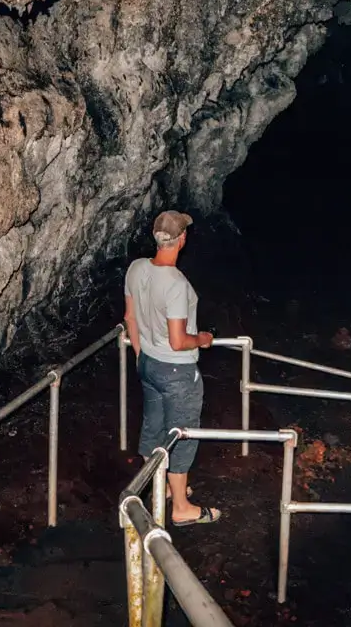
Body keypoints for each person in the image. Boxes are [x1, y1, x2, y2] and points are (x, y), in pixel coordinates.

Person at [123, 210, 220, 527]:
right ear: (182, 239)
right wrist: (203, 339)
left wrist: (141, 355)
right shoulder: (176, 284)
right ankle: (180, 507)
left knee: (154, 426)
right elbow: (179, 341)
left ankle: (161, 485)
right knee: (182, 433)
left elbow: (130, 319)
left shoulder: (137, 269)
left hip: (148, 363)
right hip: (177, 372)